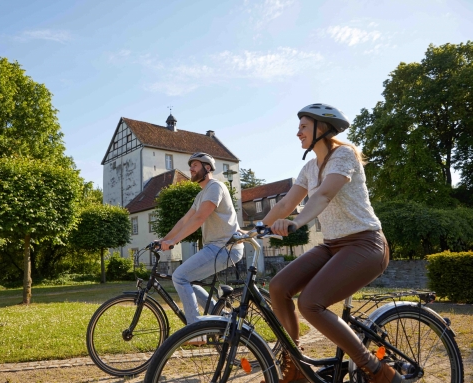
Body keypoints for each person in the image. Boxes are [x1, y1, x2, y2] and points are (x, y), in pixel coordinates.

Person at [262, 103, 401, 383]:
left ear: (321, 128)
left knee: (311, 302)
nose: (297, 132)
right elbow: (288, 203)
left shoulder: (344, 155)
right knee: (278, 287)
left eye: (303, 126)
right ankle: (296, 366)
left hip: (366, 243)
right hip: (332, 245)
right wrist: (251, 230)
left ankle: (376, 370)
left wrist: (297, 223)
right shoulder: (309, 168)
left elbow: (324, 195)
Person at [160, 152, 243, 325]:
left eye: (195, 165)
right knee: (186, 278)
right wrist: (163, 240)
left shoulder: (215, 187)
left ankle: (196, 329)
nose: (191, 168)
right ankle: (219, 320)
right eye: (190, 166)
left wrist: (173, 242)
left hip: (224, 248)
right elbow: (185, 220)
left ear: (207, 168)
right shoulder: (201, 194)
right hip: (215, 248)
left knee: (180, 276)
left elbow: (199, 219)